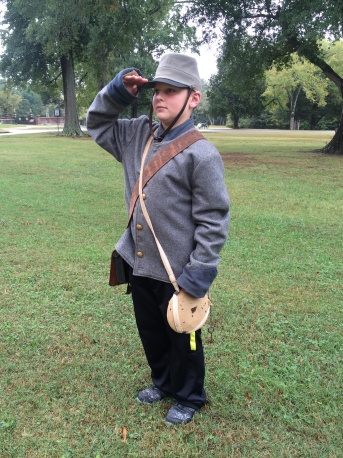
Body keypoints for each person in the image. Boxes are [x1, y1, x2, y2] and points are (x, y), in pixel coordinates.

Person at [86, 53, 230, 425]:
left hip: (179, 270)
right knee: (151, 331)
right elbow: (97, 123)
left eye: (170, 91)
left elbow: (213, 220)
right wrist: (118, 91)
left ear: (193, 98)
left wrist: (199, 273)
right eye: (156, 91)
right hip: (140, 261)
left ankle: (189, 395)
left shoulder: (203, 153)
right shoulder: (136, 134)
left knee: (185, 336)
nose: (159, 98)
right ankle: (164, 383)